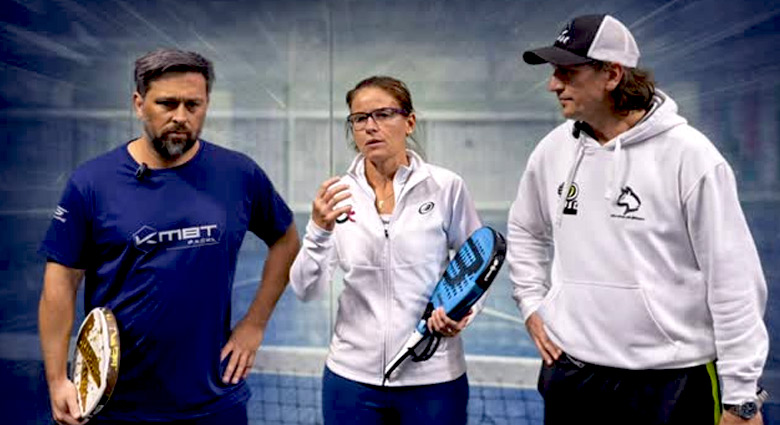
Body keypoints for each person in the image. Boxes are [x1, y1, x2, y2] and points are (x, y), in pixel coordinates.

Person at [508, 14, 769, 425]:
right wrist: (531, 303)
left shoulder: (691, 157)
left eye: (566, 72)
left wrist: (740, 398)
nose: (552, 84)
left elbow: (733, 280)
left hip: (669, 386)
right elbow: (524, 229)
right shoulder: (552, 150)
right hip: (572, 377)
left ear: (611, 74)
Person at [38, 48, 300, 425]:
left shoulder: (239, 173)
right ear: (139, 104)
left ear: (207, 104)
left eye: (193, 105)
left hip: (215, 400)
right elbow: (59, 283)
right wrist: (56, 379)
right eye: (167, 103)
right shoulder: (92, 182)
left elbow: (286, 239)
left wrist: (255, 323)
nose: (181, 116)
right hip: (116, 406)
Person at [289, 75, 482, 424]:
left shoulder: (446, 187)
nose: (370, 127)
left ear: (409, 122)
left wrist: (462, 313)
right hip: (351, 380)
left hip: (434, 377)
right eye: (360, 119)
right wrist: (318, 230)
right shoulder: (337, 195)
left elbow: (479, 264)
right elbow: (306, 290)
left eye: (383, 114)